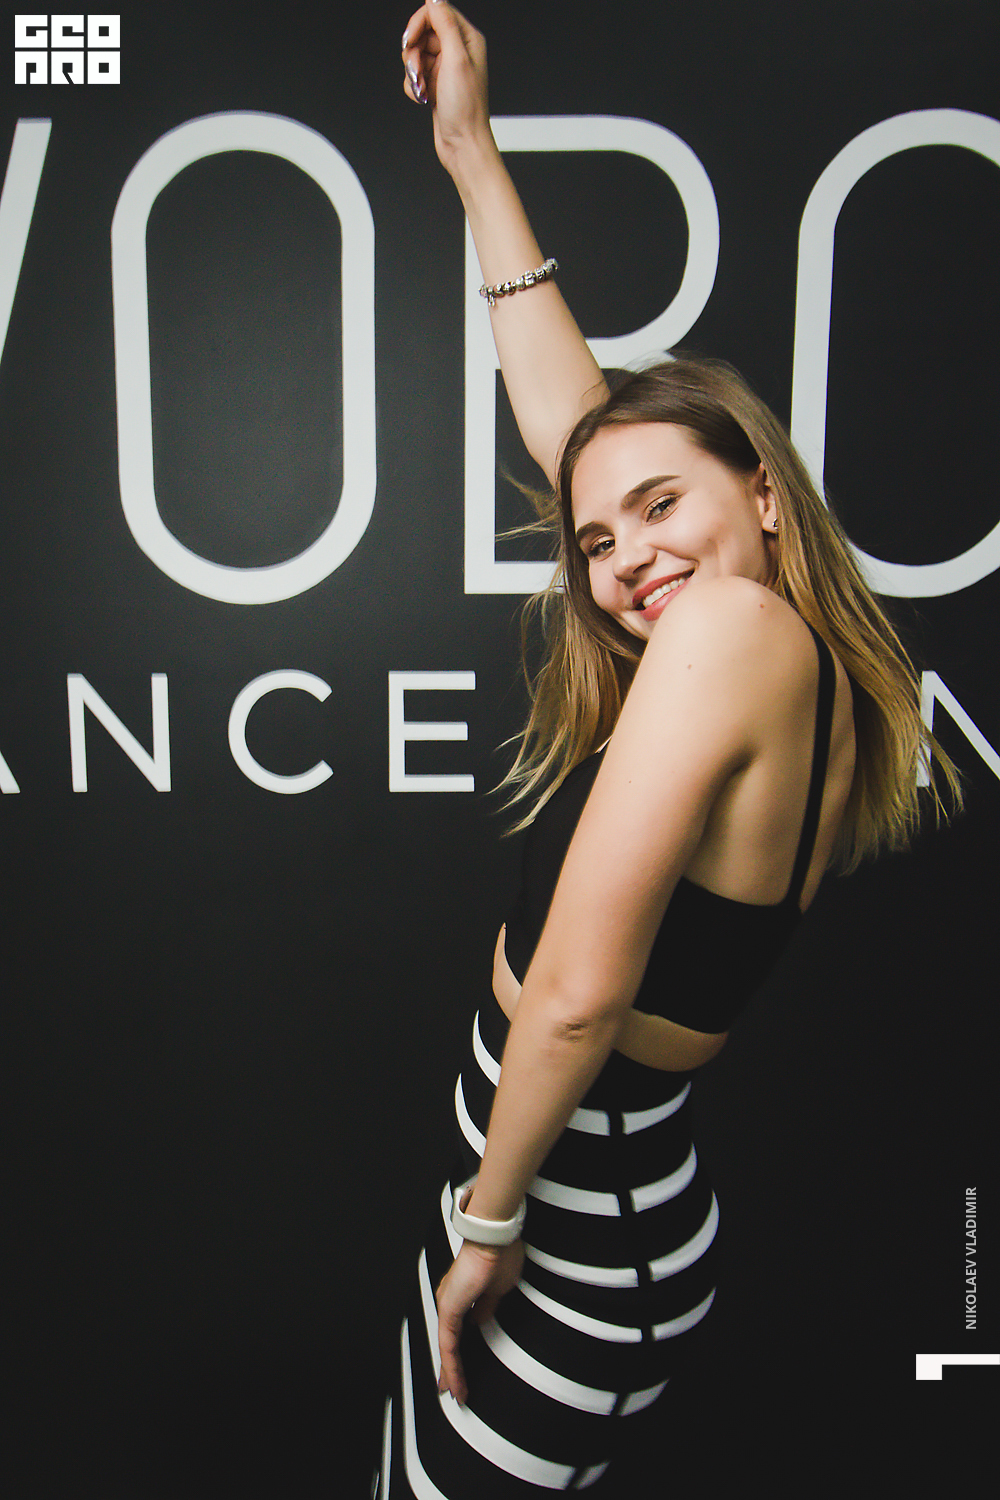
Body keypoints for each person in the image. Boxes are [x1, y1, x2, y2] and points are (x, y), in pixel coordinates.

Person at [376, 6, 959, 1495]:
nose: (623, 556)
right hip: (565, 1200)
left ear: (763, 493)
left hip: (570, 1230)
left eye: (661, 510)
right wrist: (470, 154)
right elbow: (589, 438)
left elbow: (577, 998)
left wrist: (487, 1225)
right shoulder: (772, 645)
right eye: (594, 541)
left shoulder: (731, 634)